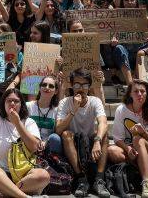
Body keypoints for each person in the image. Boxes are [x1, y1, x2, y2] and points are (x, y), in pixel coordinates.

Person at [0, 80, 50, 198]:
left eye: (16, 101)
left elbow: (34, 147)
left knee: (43, 175)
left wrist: (17, 123)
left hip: (24, 177)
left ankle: (6, 193)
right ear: (3, 103)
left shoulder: (29, 122)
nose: (12, 103)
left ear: (21, 105)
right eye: (9, 100)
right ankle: (23, 196)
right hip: (0, 176)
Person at [55, 68, 111, 198]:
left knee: (104, 134)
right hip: (73, 143)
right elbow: (58, 129)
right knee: (65, 134)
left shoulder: (94, 101)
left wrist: (97, 140)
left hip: (90, 142)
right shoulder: (65, 102)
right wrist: (74, 109)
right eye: (77, 85)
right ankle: (81, 179)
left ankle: (99, 179)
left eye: (85, 85)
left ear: (89, 86)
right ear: (72, 85)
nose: (80, 88)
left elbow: (103, 122)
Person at [107, 79, 148, 197]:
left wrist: (142, 131)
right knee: (112, 151)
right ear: (130, 94)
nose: (139, 94)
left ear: (147, 93)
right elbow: (117, 139)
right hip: (131, 149)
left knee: (138, 139)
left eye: (143, 91)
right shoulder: (121, 110)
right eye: (136, 91)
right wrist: (128, 149)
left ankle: (146, 182)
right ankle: (139, 169)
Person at [26, 75, 62, 156]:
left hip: (48, 146)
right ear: (39, 88)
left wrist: (45, 142)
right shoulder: (28, 106)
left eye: (51, 86)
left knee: (55, 138)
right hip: (30, 143)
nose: (47, 87)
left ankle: (54, 164)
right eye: (44, 85)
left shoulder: (57, 110)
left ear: (56, 91)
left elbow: (58, 131)